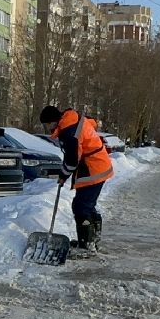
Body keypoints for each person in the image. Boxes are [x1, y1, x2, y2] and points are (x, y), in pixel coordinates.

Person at [40, 105, 114, 250]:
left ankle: (86, 245)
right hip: (97, 165)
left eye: (47, 124)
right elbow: (91, 124)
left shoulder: (69, 131)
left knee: (81, 207)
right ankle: (92, 240)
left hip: (93, 168)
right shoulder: (72, 120)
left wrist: (63, 175)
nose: (47, 128)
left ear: (52, 121)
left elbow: (72, 160)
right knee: (87, 205)